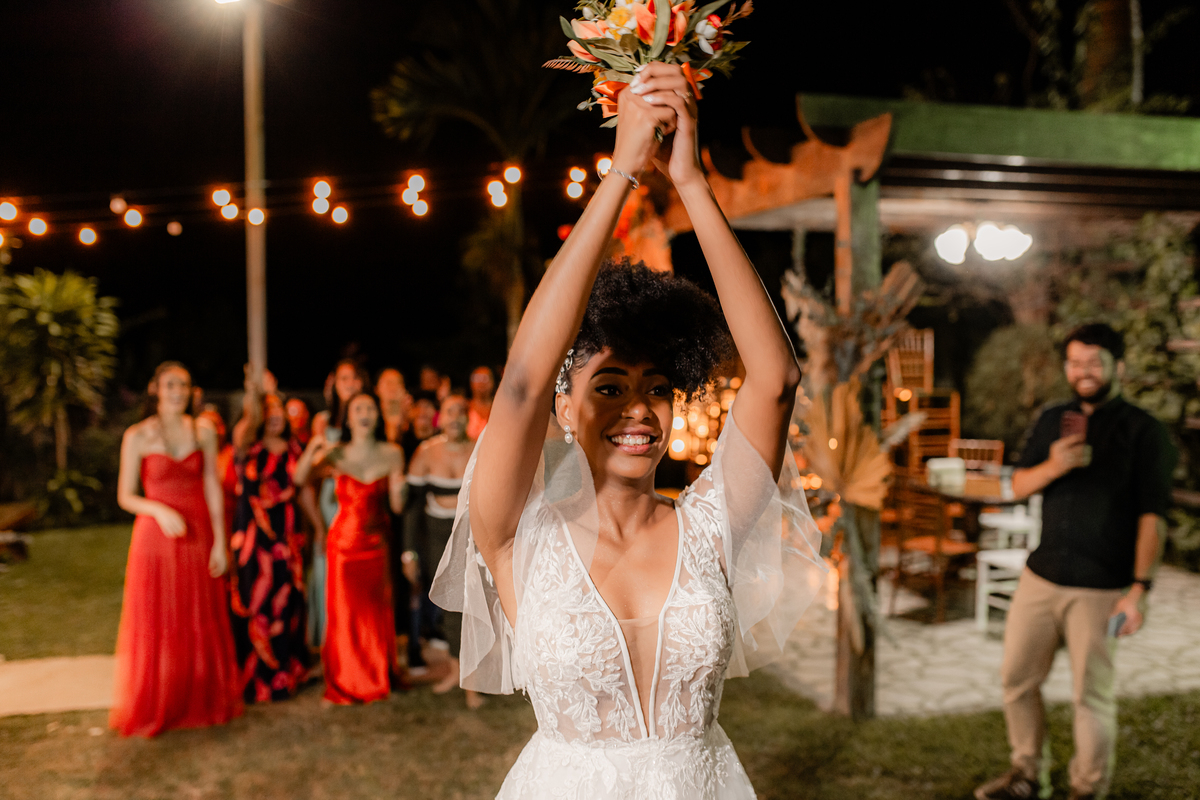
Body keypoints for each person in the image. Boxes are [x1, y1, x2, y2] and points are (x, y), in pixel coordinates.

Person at [430, 64, 826, 797]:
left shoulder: (708, 528)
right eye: (609, 388)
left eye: (657, 390)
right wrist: (619, 176)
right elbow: (519, 382)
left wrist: (693, 183)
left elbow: (776, 381)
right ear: (566, 408)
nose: (639, 410)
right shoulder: (518, 535)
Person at [975, 323, 1177, 800]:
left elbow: (1154, 516)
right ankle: (1027, 775)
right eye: (1075, 362)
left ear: (1117, 366)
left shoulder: (1144, 431)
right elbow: (1019, 486)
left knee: (1092, 696)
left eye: (1094, 362)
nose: (1083, 372)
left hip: (1102, 590)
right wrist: (1056, 464)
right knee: (1016, 681)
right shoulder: (1052, 418)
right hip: (1040, 577)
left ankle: (1087, 789)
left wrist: (1139, 590)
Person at [111, 362, 242, 737]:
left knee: (197, 614)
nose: (177, 391)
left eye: (183, 385)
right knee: (159, 619)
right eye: (170, 384)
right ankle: (161, 699)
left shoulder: (202, 430)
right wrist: (158, 508)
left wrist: (220, 538)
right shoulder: (136, 435)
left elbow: (214, 487)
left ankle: (199, 696)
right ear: (155, 388)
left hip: (199, 532)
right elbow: (125, 496)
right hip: (157, 536)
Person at [295, 391, 406, 705]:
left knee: (375, 612)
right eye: (359, 408)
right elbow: (300, 477)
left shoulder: (392, 452)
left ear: (378, 414)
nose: (366, 412)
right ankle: (347, 680)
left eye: (371, 406)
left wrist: (401, 490)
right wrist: (315, 448)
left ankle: (377, 674)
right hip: (344, 546)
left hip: (378, 544)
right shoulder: (337, 454)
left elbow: (397, 506)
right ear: (349, 417)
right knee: (345, 615)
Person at [227, 375, 310, 703]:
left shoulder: (294, 448)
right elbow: (248, 424)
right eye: (269, 410)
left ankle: (284, 675)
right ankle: (255, 679)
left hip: (285, 538)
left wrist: (315, 529)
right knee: (256, 604)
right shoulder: (248, 444)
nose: (276, 414)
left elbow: (302, 492)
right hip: (253, 537)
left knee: (286, 602)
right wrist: (257, 392)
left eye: (280, 409)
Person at [404, 392, 480, 707]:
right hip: (436, 536)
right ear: (440, 417)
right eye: (450, 412)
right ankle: (455, 671)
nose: (456, 417)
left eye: (461, 411)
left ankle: (474, 681)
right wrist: (409, 553)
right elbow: (411, 508)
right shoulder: (425, 452)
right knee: (448, 605)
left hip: (472, 533)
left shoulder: (480, 447)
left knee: (473, 603)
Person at [305, 359, 368, 650]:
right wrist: (334, 468)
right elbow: (310, 470)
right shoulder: (323, 422)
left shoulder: (369, 417)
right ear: (332, 384)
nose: (350, 384)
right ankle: (331, 643)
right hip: (332, 500)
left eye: (355, 379)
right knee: (327, 570)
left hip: (362, 502)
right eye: (344, 379)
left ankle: (358, 640)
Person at [376, 367, 412, 445]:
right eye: (388, 382)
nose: (393, 387)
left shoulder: (413, 421)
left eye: (398, 382)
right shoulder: (373, 422)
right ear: (377, 389)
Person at [466, 366, 495, 440]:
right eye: (477, 379)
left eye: (485, 379)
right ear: (471, 383)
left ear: (492, 383)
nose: (481, 383)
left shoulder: (499, 409)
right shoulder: (465, 408)